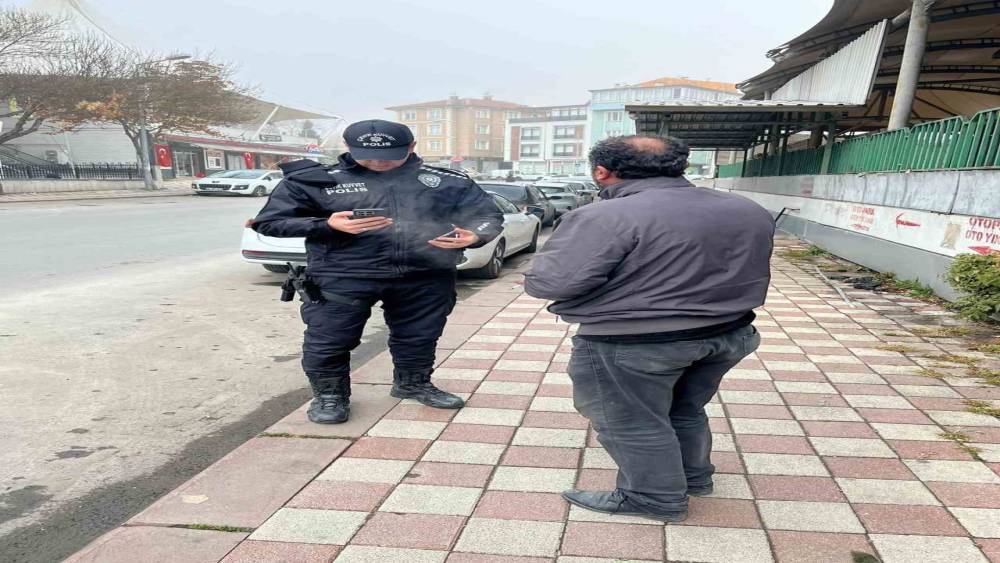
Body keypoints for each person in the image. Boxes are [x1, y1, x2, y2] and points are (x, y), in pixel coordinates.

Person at [524, 135, 774, 521]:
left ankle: (653, 497)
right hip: (729, 332)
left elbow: (552, 282)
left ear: (601, 172)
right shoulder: (745, 208)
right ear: (681, 166)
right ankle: (693, 478)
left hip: (636, 342)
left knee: (632, 420)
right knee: (684, 408)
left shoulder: (606, 216)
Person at [251, 119, 504, 424]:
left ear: (411, 147)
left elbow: (489, 216)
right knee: (330, 340)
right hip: (344, 275)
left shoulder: (447, 180)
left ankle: (413, 383)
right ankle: (330, 396)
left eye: (389, 156)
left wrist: (476, 235)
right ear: (347, 147)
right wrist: (326, 224)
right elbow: (268, 223)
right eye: (368, 157)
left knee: (420, 336)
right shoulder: (315, 181)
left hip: (426, 274)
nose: (379, 163)